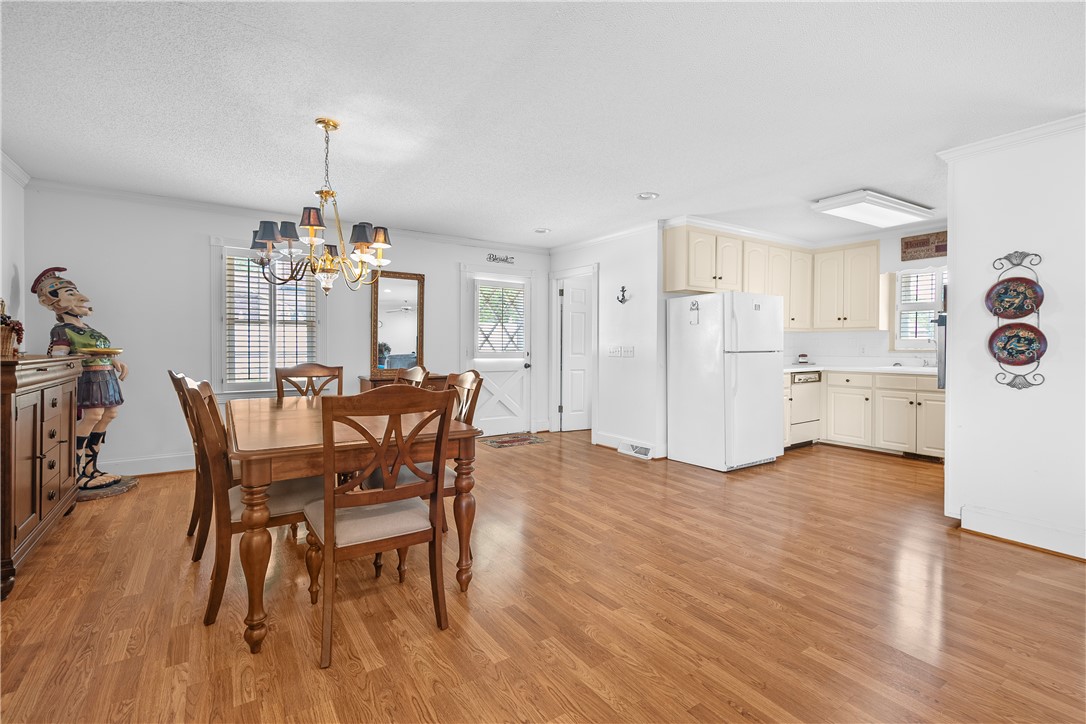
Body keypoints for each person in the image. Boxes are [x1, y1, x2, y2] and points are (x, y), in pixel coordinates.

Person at [31, 267, 129, 490]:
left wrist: (115, 361)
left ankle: (90, 468)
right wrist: (81, 356)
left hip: (105, 378)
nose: (83, 299)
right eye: (71, 294)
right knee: (93, 415)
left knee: (110, 413)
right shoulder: (62, 331)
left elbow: (105, 351)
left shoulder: (90, 330)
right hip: (87, 378)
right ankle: (75, 472)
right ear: (55, 301)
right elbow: (58, 358)